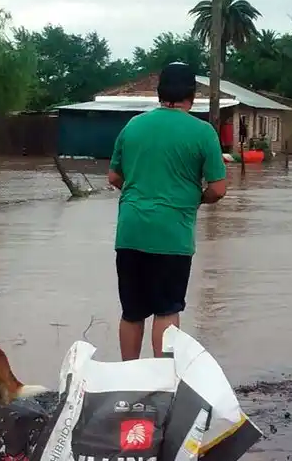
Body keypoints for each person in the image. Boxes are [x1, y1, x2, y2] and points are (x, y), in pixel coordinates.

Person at [107, 62, 227, 360]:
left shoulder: (133, 125)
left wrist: (140, 192)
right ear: (192, 94)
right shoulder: (202, 132)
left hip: (131, 231)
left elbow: (114, 177)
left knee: (132, 311)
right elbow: (218, 188)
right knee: (166, 309)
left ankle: (128, 376)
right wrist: (195, 198)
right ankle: (160, 380)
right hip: (172, 234)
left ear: (159, 91)